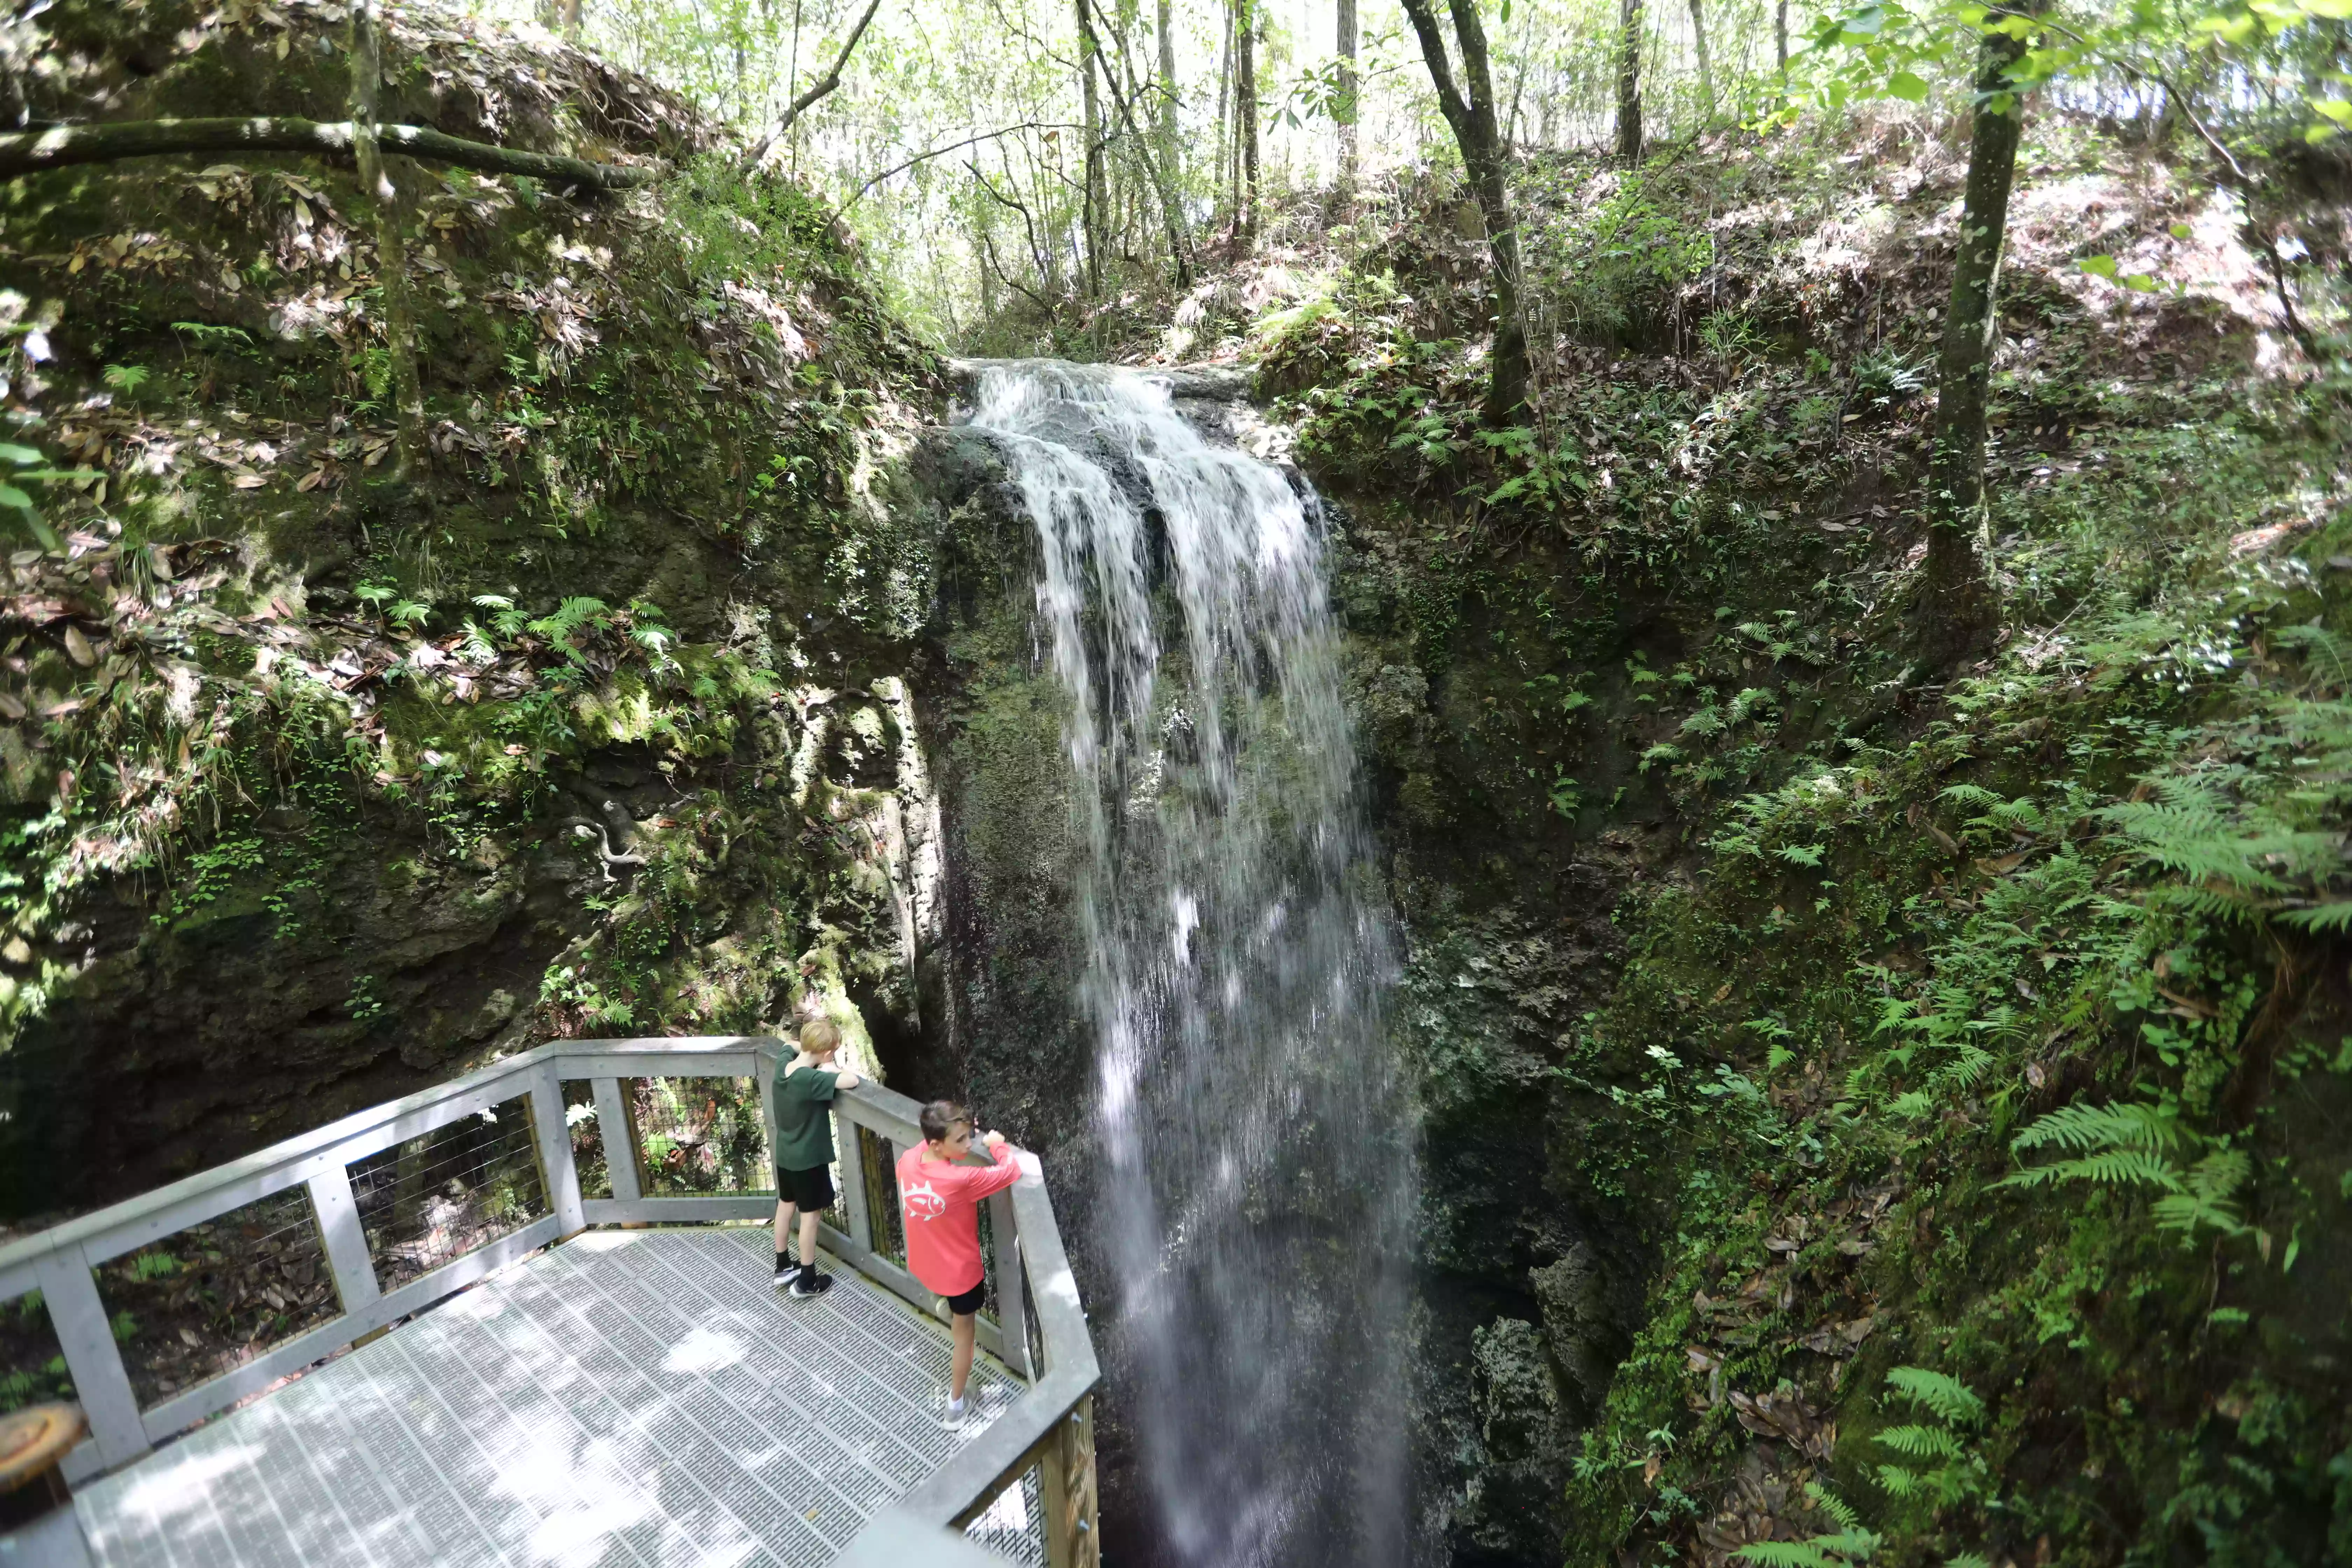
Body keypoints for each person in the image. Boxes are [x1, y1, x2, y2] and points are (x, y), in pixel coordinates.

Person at [897, 1100, 1025, 1424]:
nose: (969, 1145)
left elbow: (926, 1143)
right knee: (964, 1340)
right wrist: (998, 1146)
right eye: (962, 1140)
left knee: (946, 1302)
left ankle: (944, 1306)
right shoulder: (961, 1180)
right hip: (961, 1276)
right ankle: (956, 1405)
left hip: (926, 1263)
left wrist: (959, 1126)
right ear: (938, 1144)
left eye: (971, 1136)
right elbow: (1011, 1171)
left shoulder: (909, 1160)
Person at [772, 1017, 860, 1298]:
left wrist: (811, 1050)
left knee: (786, 1206)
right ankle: (807, 1280)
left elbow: (788, 1045)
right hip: (808, 1161)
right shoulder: (809, 1079)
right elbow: (852, 1080)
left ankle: (783, 1265)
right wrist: (830, 1066)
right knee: (810, 1218)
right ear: (826, 1053)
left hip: (786, 1155)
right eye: (832, 1050)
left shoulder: (783, 1067)